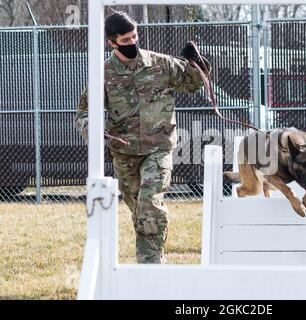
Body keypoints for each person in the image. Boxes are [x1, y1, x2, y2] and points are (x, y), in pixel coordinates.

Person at [74, 11, 210, 264]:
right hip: (124, 153)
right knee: (139, 210)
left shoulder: (160, 63)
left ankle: (150, 267)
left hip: (158, 148)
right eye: (125, 40)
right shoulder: (103, 73)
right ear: (111, 43)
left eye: (135, 37)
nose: (132, 43)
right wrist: (94, 132)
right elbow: (84, 112)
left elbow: (192, 84)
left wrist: (196, 62)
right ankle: (150, 260)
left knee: (149, 203)